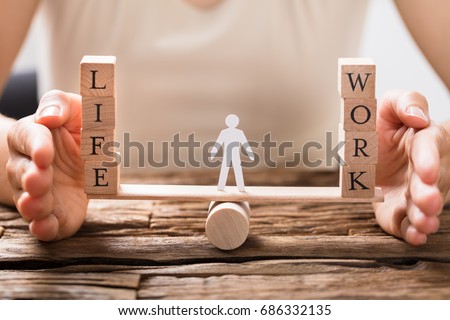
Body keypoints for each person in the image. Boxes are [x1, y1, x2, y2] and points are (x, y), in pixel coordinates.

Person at [0, 0, 449, 245]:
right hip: (104, 227)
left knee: (232, 173)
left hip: (318, 227)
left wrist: (431, 155)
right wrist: (15, 158)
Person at [211, 114, 254, 192]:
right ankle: (222, 187)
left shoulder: (238, 132)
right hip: (228, 154)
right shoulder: (227, 132)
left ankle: (239, 187)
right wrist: (213, 152)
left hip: (234, 154)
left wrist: (250, 154)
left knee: (236, 170)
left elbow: (245, 143)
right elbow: (218, 143)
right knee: (227, 170)